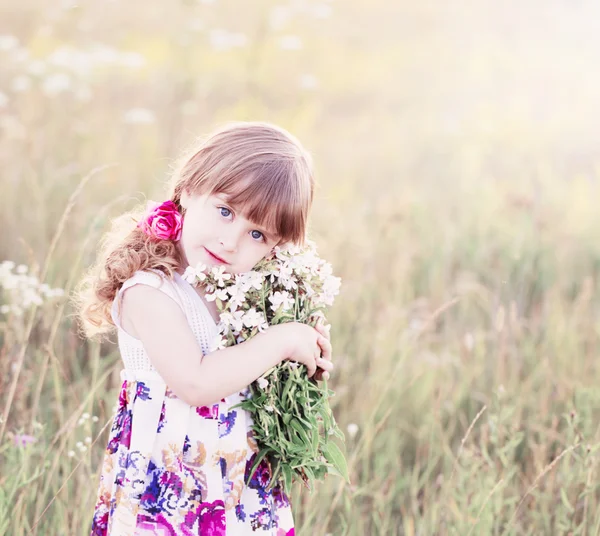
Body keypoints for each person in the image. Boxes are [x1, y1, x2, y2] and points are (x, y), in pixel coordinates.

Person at [76, 121, 334, 536]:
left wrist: (305, 349)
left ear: (275, 247)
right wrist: (282, 340)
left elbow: (251, 367)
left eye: (256, 233)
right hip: (169, 487)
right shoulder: (150, 291)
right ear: (190, 188)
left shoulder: (239, 288)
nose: (231, 241)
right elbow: (196, 382)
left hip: (235, 483)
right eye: (225, 211)